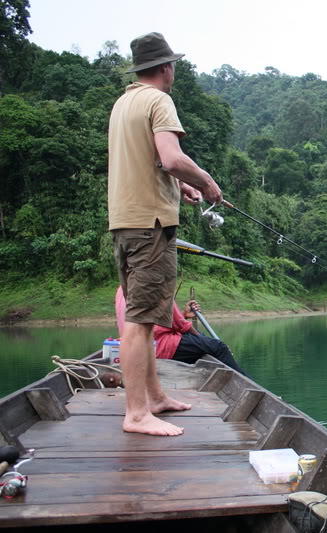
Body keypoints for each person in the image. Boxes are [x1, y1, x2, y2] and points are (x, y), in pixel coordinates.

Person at [108, 32, 223, 436]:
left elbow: (152, 164)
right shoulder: (159, 100)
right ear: (166, 67)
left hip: (126, 221)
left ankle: (154, 396)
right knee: (141, 322)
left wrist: (181, 186)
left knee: (148, 313)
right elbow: (171, 157)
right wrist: (206, 181)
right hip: (150, 226)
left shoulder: (124, 104)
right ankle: (137, 413)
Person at [114, 287, 248, 376]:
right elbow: (183, 326)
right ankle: (246, 381)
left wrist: (184, 314)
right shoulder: (153, 283)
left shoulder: (121, 288)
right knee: (219, 347)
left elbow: (155, 320)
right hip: (159, 346)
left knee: (205, 342)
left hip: (132, 346)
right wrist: (202, 338)